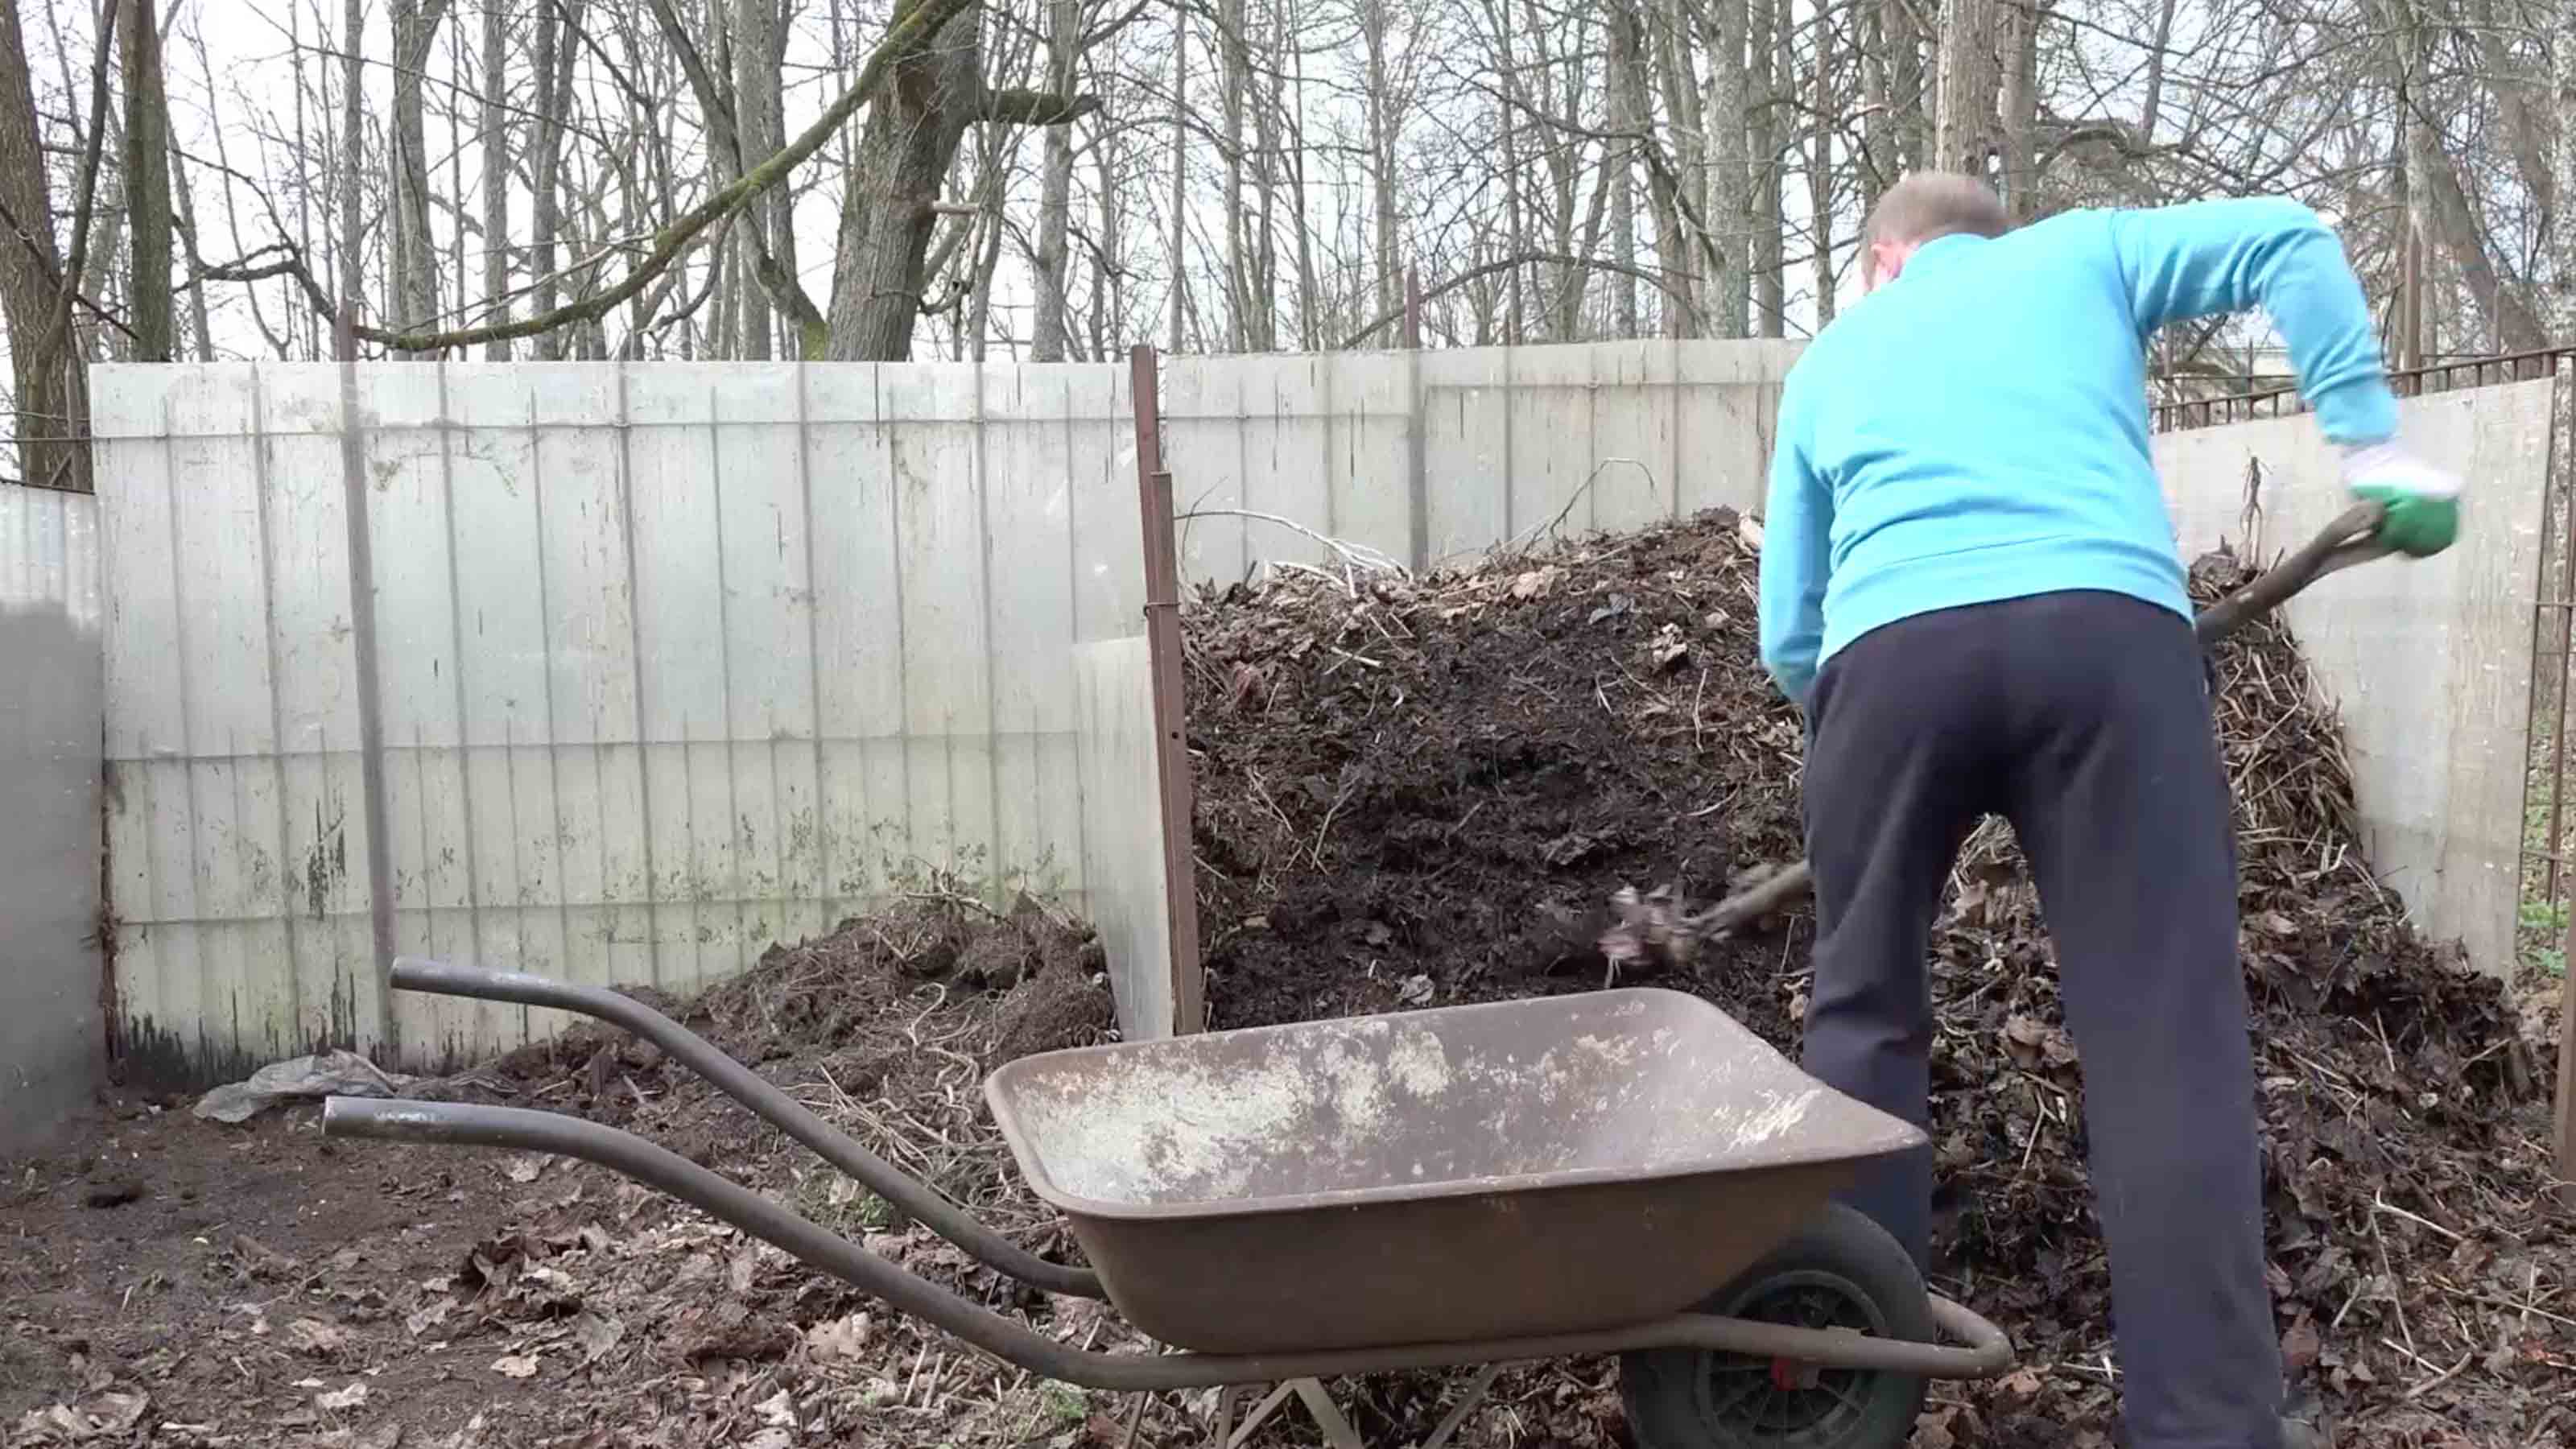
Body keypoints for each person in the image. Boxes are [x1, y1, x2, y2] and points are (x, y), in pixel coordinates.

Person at [1754, 173, 2459, 1449]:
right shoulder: (2087, 255)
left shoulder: (1831, 360)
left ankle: (1849, 1385)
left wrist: (1858, 750)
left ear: (1882, 265)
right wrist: (2372, 446)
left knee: (1863, 1013)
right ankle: (2207, 1423)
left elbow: (1790, 635)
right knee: (2162, 1036)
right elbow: (2289, 238)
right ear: (1995, 239)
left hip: (1887, 666)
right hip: (2108, 643)